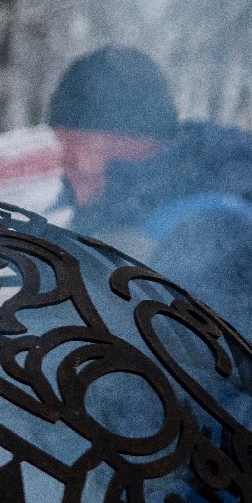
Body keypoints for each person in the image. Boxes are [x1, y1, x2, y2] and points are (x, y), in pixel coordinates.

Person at [46, 45, 252, 334]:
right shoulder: (104, 215)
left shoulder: (218, 230)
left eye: (82, 144)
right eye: (62, 143)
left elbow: (211, 368)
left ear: (136, 141)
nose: (66, 161)